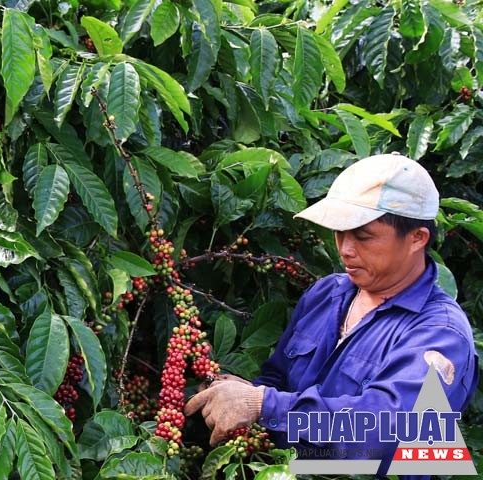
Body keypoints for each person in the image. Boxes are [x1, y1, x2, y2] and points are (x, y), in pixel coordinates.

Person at [184, 153, 479, 476]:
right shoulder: (327, 294)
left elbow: (389, 433)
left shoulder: (441, 334)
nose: (345, 249)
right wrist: (246, 396)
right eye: (340, 232)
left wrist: (263, 404)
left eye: (363, 236)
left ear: (416, 238)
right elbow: (277, 378)